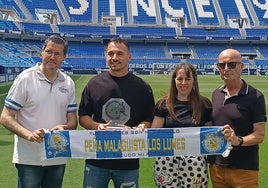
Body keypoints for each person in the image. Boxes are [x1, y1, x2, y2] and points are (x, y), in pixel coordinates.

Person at [0, 35, 78, 188]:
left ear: (64, 57)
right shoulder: (26, 78)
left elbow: (72, 120)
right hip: (29, 158)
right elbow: (5, 116)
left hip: (57, 156)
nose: (52, 57)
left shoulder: (68, 83)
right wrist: (28, 135)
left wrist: (66, 127)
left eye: (57, 54)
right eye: (49, 51)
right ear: (42, 52)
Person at [78, 37, 155, 188]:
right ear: (106, 56)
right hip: (96, 160)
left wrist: (137, 129)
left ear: (129, 57)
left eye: (119, 54)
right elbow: (83, 117)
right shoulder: (94, 84)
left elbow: (149, 120)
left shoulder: (142, 87)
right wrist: (96, 126)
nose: (114, 58)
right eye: (110, 53)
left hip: (128, 162)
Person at [209, 48, 266, 187]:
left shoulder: (256, 96)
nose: (226, 69)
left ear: (242, 67)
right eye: (221, 65)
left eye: (231, 64)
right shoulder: (216, 94)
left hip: (244, 169)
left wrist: (238, 140)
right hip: (217, 168)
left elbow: (259, 135)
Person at [151, 62, 212, 187]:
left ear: (194, 81)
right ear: (174, 80)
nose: (183, 83)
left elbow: (210, 135)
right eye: (180, 79)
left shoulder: (204, 104)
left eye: (188, 79)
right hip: (166, 161)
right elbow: (154, 134)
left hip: (195, 163)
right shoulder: (163, 104)